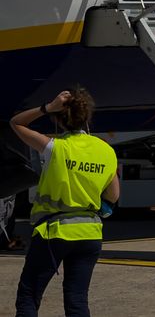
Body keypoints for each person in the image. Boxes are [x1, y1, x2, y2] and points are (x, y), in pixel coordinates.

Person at [11, 87, 119, 316]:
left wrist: (48, 108)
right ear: (87, 119)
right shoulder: (107, 151)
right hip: (90, 233)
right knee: (77, 299)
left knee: (29, 294)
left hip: (55, 232)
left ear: (60, 122)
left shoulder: (55, 147)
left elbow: (16, 123)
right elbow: (113, 196)